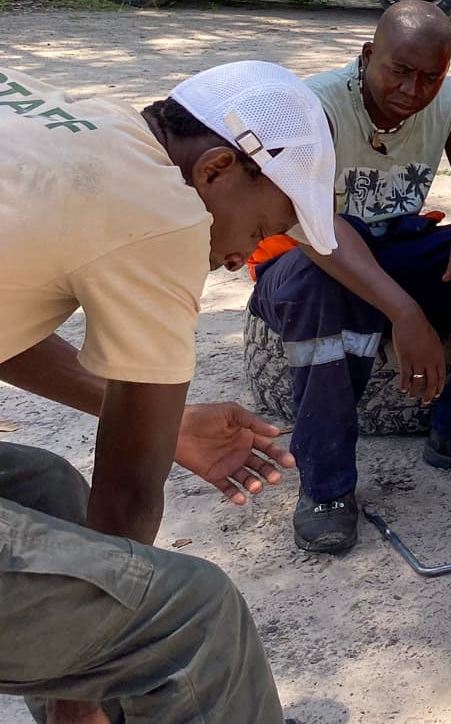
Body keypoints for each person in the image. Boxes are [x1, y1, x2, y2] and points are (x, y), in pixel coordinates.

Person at [0, 59, 340, 724]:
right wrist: (79, 705)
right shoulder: (167, 214)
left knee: (49, 491)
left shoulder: (73, 115)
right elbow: (128, 492)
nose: (244, 258)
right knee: (198, 620)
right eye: (259, 228)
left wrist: (165, 417)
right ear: (215, 169)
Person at [248, 1, 451, 555]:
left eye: (429, 76)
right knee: (325, 286)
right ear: (367, 57)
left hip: (392, 246)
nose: (413, 90)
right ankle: (326, 488)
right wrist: (406, 314)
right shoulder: (313, 108)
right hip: (305, 260)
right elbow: (320, 233)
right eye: (400, 71)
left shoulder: (447, 101)